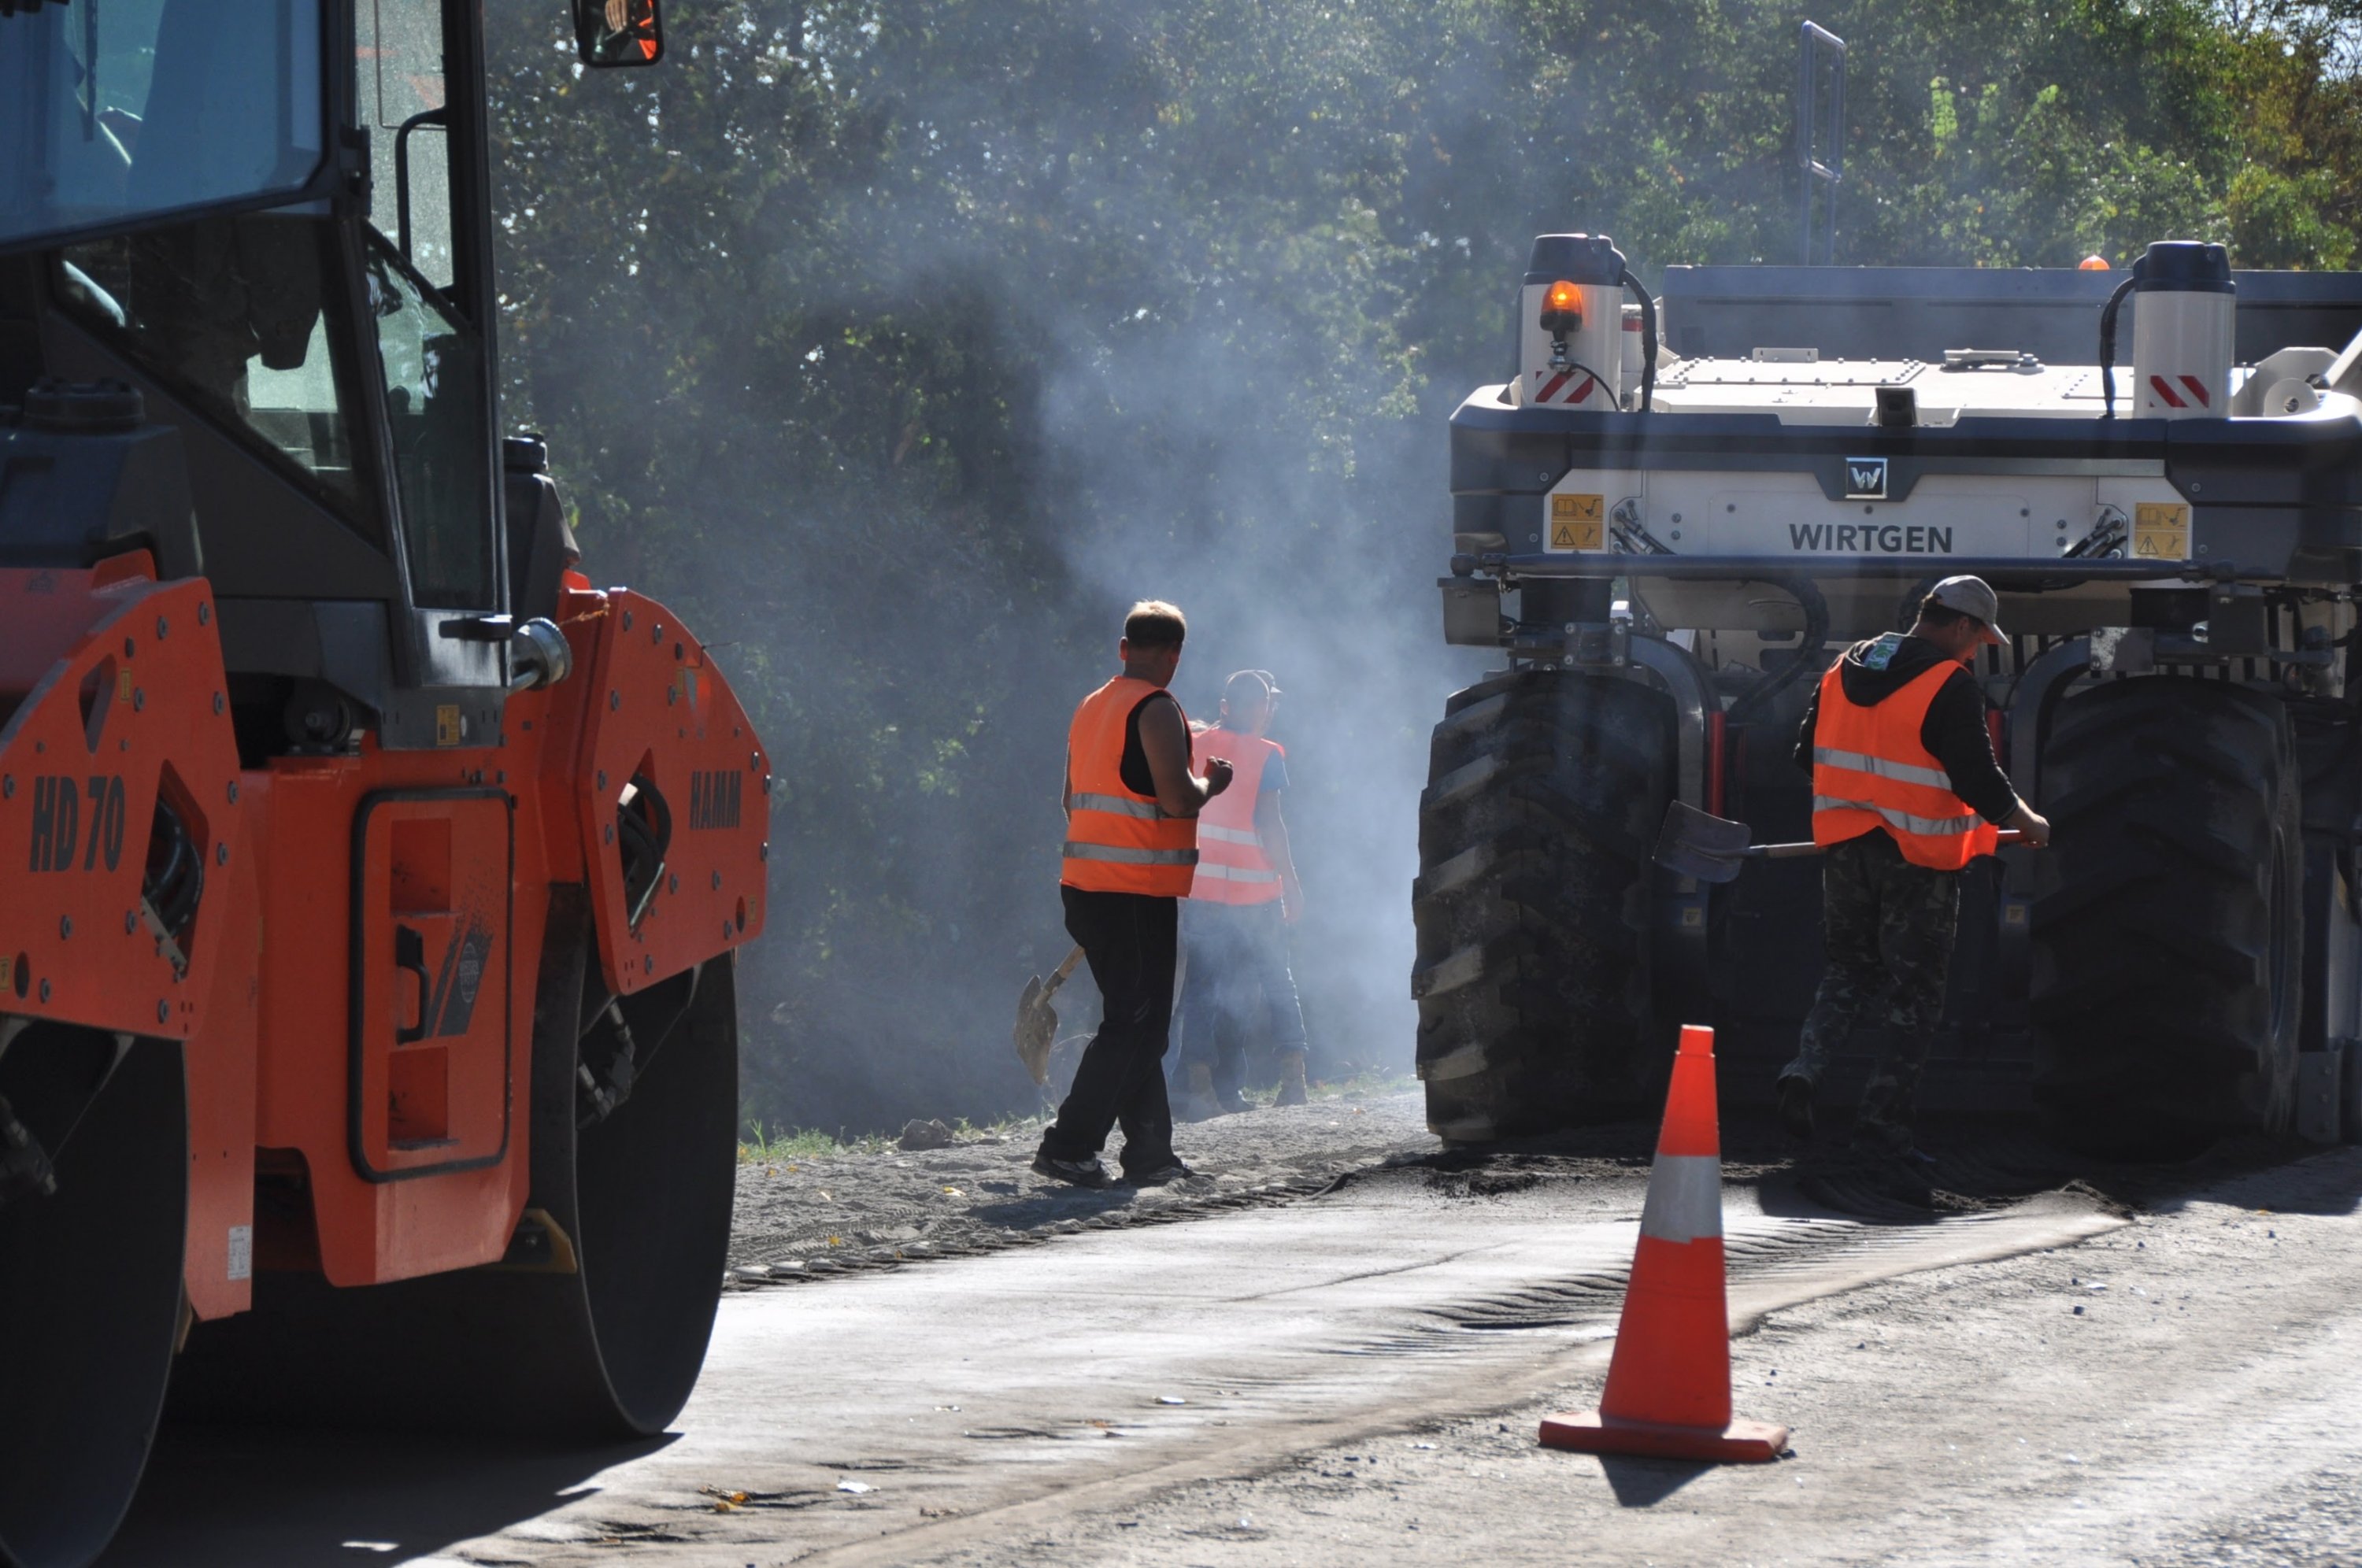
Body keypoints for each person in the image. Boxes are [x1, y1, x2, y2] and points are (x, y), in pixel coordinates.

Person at [1777, 575, 2052, 1159]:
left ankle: (1806, 1068)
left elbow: (1806, 754)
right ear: (1959, 626)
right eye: (1978, 638)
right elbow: (1975, 775)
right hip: (1917, 862)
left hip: (1847, 850)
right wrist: (2024, 818)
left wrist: (1862, 804)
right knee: (1915, 994)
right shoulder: (1948, 683)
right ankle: (1883, 1129)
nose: (1976, 651)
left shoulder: (1843, 668)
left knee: (1849, 970)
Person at [1033, 601, 1233, 1189]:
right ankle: (1068, 1146)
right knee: (1135, 1024)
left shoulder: (1092, 705)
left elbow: (1070, 800)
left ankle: (1150, 1154)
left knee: (1138, 1024)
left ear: (1123, 648)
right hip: (1136, 892)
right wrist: (1212, 783)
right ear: (1174, 655)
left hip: (1087, 889)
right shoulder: (1157, 708)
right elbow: (1178, 800)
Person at [1174, 669, 1311, 1118]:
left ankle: (1203, 1090)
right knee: (1276, 980)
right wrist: (1290, 881)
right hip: (1256, 893)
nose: (1267, 712)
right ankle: (1294, 1080)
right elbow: (1271, 825)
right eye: (1265, 704)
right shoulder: (1267, 755)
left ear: (1224, 706)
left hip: (1204, 888)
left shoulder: (1195, 744)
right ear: (1261, 709)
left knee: (1202, 988)